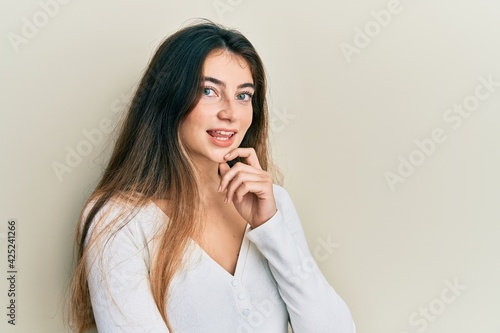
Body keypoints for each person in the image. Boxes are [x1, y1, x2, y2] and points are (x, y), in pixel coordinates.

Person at [68, 20, 356, 333]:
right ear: (169, 98)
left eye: (244, 95)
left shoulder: (274, 205)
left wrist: (270, 227)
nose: (231, 113)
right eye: (209, 91)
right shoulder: (118, 219)